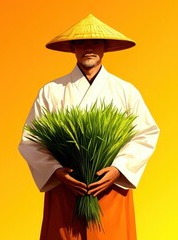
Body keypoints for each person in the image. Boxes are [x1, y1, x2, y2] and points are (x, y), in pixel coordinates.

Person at [18, 14, 160, 239]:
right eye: (82, 43)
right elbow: (31, 140)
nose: (88, 48)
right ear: (73, 48)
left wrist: (118, 169)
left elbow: (145, 134)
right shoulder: (51, 91)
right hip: (66, 188)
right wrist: (57, 172)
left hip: (110, 188)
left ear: (105, 47)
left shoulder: (125, 90)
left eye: (95, 42)